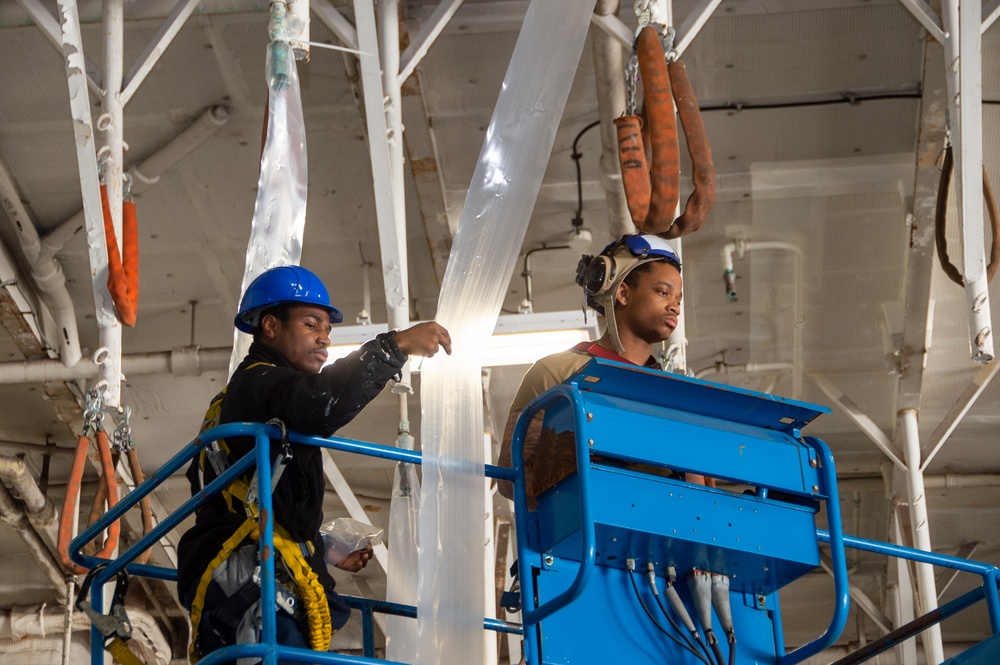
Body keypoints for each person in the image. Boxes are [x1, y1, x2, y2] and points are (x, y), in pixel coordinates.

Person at [177, 265, 451, 663]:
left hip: (251, 576)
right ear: (270, 326)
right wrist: (395, 347)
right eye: (311, 324)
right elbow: (322, 402)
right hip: (250, 584)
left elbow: (258, 505)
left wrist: (322, 550)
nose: (324, 337)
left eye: (327, 329)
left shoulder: (264, 400)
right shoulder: (259, 383)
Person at [498, 233, 712, 504]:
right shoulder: (558, 372)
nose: (675, 307)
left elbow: (698, 498)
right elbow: (512, 475)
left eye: (678, 300)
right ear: (622, 292)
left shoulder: (676, 395)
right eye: (663, 292)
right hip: (592, 531)